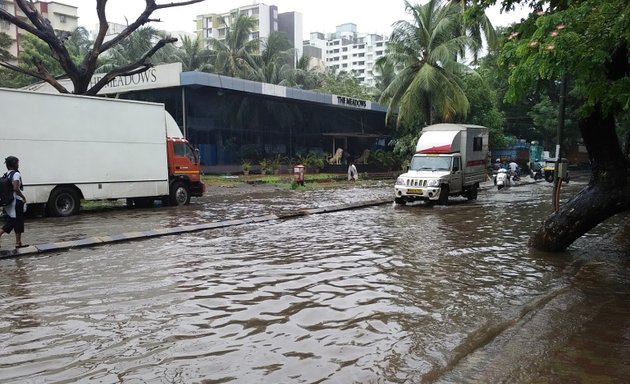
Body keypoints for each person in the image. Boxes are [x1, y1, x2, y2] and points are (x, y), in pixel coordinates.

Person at [0, 156, 27, 248]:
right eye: (17, 163)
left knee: (14, 221)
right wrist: (23, 197)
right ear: (14, 164)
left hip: (9, 202)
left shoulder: (6, 174)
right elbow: (15, 188)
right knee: (16, 221)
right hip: (16, 201)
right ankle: (18, 243)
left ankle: (18, 242)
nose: (18, 165)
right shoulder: (16, 174)